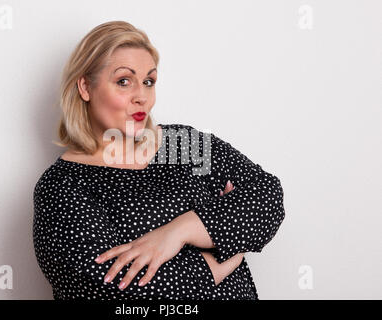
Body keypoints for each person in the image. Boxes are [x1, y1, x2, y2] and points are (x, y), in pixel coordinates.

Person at [32, 20, 285, 300]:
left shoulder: (183, 144)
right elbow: (120, 294)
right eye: (124, 81)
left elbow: (268, 196)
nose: (142, 96)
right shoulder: (62, 187)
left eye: (149, 81)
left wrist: (181, 230)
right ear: (85, 87)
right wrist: (228, 255)